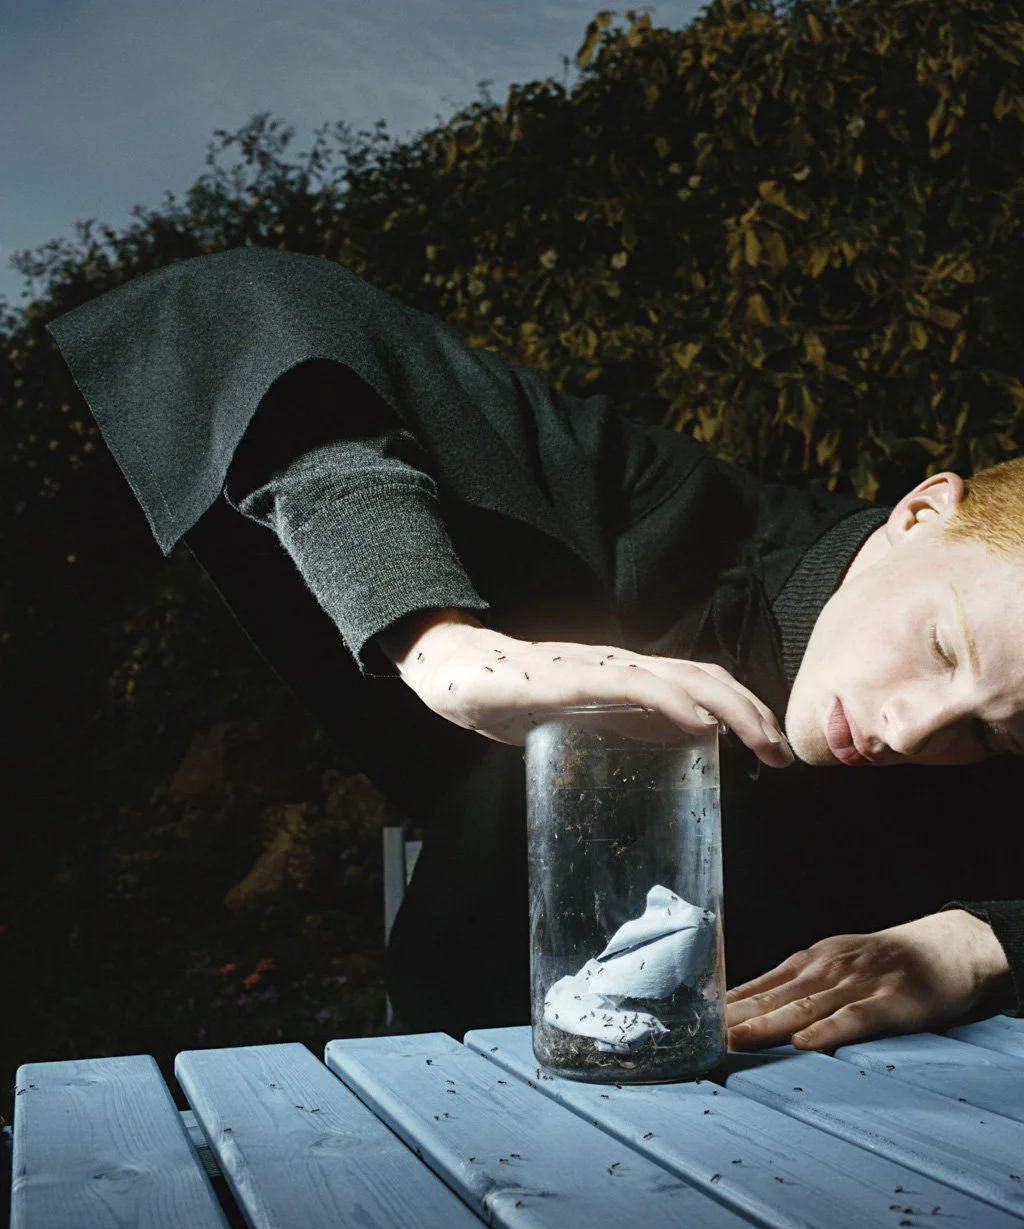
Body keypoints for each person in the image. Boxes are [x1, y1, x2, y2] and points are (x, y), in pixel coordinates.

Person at [46, 245, 1023, 1049]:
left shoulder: (975, 766)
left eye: (987, 733)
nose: (914, 726)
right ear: (919, 511)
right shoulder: (676, 512)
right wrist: (446, 646)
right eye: (940, 647)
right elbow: (249, 305)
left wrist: (980, 940)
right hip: (459, 1052)